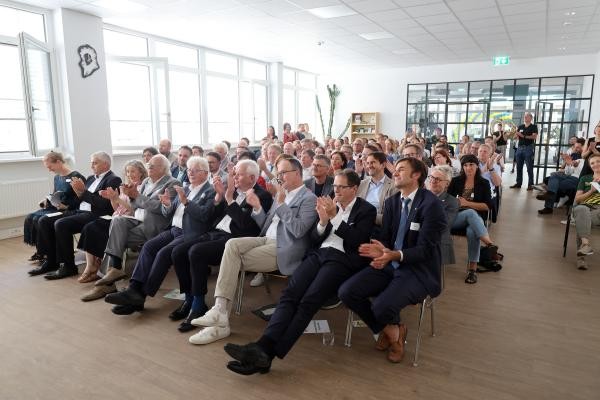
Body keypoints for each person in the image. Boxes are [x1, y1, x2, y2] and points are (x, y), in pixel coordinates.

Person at [222, 169, 376, 374]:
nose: (336, 190)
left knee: (308, 301)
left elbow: (357, 241)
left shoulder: (366, 210)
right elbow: (314, 238)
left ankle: (266, 354)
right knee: (289, 295)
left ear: (354, 189)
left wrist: (335, 216)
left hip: (341, 259)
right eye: (335, 186)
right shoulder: (329, 203)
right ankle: (263, 348)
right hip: (318, 254)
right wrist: (322, 222)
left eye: (341, 187)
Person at [187, 157, 317, 345]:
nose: (279, 177)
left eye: (282, 173)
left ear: (297, 173)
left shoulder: (309, 198)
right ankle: (219, 311)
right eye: (278, 173)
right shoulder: (282, 194)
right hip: (265, 239)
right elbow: (265, 225)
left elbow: (298, 230)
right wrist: (257, 207)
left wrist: (281, 204)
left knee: (232, 260)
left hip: (283, 247)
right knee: (232, 245)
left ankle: (220, 321)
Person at [338, 157, 447, 363]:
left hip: (417, 270)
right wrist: (381, 250)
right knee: (347, 292)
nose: (394, 173)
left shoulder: (431, 205)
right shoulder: (392, 203)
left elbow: (425, 250)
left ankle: (391, 335)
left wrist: (394, 254)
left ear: (416, 175)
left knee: (381, 306)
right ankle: (393, 331)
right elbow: (387, 240)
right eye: (395, 169)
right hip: (390, 262)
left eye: (401, 169)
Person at [104, 157, 216, 315]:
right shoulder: (186, 188)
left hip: (189, 232)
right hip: (173, 229)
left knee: (163, 254)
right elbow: (167, 213)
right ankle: (134, 289)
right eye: (189, 170)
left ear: (205, 173)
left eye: (195, 170)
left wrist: (185, 202)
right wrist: (167, 204)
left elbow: (204, 216)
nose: (190, 173)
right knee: (149, 247)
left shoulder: (210, 191)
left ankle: (140, 296)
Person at [171, 160, 273, 332]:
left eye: (239, 174)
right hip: (215, 232)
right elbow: (213, 215)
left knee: (196, 252)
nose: (234, 177)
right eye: (234, 174)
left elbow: (246, 226)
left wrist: (229, 198)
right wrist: (219, 196)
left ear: (252, 177)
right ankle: (189, 298)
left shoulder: (262, 196)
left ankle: (198, 305)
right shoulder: (232, 190)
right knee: (178, 252)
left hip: (235, 239)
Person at [30, 152, 122, 278]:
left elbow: (105, 205)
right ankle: (51, 261)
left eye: (95, 163)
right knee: (45, 220)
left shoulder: (113, 179)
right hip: (79, 211)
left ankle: (68, 266)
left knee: (61, 224)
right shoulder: (90, 178)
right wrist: (75, 195)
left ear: (106, 164)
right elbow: (81, 198)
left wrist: (82, 191)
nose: (91, 166)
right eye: (91, 163)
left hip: (94, 214)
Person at [96, 155, 179, 286]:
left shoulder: (172, 183)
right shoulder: (146, 181)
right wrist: (130, 196)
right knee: (117, 221)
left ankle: (108, 280)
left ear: (163, 168)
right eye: (148, 165)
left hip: (153, 225)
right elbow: (135, 206)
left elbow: (162, 208)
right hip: (137, 219)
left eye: (152, 166)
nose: (149, 167)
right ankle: (115, 268)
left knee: (114, 238)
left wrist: (137, 196)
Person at [78, 160, 147, 301]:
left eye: (133, 171)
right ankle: (94, 267)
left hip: (130, 221)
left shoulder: (142, 187)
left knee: (104, 231)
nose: (130, 174)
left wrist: (117, 198)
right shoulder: (125, 186)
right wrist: (112, 199)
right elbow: (117, 209)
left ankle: (106, 277)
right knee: (91, 227)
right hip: (117, 218)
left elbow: (134, 211)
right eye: (128, 171)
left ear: (141, 172)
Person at [24, 151, 85, 263]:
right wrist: (47, 199)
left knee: (41, 219)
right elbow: (56, 194)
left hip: (70, 209)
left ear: (58, 162)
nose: (49, 170)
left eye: (50, 166)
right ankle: (42, 251)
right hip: (57, 207)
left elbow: (82, 199)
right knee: (30, 217)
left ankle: (47, 253)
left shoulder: (76, 176)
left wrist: (67, 206)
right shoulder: (57, 177)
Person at [447, 154, 498, 284]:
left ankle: (472, 271)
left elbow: (487, 206)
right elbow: (447, 202)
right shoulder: (455, 181)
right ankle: (489, 243)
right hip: (455, 218)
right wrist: (458, 204)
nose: (468, 168)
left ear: (477, 166)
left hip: (475, 221)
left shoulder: (484, 183)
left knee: (472, 231)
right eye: (465, 165)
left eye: (471, 165)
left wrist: (467, 203)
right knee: (470, 212)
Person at [427, 165, 459, 266]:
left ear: (447, 184)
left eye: (438, 179)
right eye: (431, 177)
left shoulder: (452, 202)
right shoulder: (421, 195)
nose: (433, 181)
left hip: (437, 241)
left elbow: (443, 224)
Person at [356, 152, 398, 230]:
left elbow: (391, 217)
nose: (369, 166)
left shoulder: (393, 186)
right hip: (358, 225)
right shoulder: (361, 184)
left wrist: (368, 216)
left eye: (373, 162)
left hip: (379, 228)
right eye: (368, 163)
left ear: (383, 165)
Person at [573, 153, 600, 270]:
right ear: (590, 166)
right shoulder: (585, 178)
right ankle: (585, 245)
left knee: (582, 221)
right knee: (581, 210)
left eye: (598, 161)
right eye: (592, 163)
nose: (595, 164)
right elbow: (577, 199)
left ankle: (582, 255)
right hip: (585, 207)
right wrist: (591, 191)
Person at [510, 112, 538, 190]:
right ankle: (518, 183)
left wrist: (523, 136)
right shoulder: (520, 126)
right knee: (519, 167)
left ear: (531, 118)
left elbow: (534, 137)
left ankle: (530, 185)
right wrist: (515, 134)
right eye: (525, 116)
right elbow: (515, 137)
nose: (525, 118)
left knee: (529, 167)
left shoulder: (534, 127)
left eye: (527, 116)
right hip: (519, 148)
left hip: (528, 148)